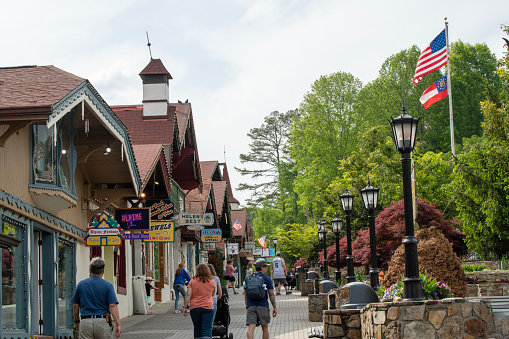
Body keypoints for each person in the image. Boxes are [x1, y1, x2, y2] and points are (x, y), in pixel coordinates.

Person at [72, 257, 121, 339]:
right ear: (103, 270)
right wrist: (118, 324)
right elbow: (112, 306)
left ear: (90, 270)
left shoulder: (81, 284)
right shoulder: (108, 285)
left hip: (85, 322)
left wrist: (77, 321)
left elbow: (75, 305)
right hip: (102, 322)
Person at [244, 258, 276, 339]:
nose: (266, 268)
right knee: (265, 328)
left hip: (251, 305)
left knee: (251, 327)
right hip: (263, 305)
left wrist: (247, 306)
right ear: (262, 267)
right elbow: (271, 294)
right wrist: (274, 307)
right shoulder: (267, 278)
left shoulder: (248, 278)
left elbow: (245, 294)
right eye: (266, 267)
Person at [182, 263, 217, 339]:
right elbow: (213, 293)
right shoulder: (212, 282)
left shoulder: (192, 281)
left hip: (195, 307)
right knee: (207, 329)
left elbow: (188, 295)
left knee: (197, 328)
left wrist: (185, 307)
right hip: (208, 307)